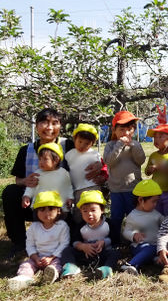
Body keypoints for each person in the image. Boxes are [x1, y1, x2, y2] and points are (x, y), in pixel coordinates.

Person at [3, 108, 104, 256]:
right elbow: (18, 179)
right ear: (36, 126)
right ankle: (20, 242)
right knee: (10, 192)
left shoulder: (69, 145)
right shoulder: (26, 150)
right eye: (44, 122)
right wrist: (25, 181)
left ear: (60, 126)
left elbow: (89, 157)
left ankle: (91, 234)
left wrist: (100, 167)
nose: (49, 128)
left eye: (55, 123)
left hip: (63, 204)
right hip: (36, 203)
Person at [8, 191, 70, 291]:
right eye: (42, 209)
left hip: (55, 257)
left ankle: (51, 275)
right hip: (37, 257)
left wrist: (51, 257)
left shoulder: (62, 226)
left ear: (59, 210)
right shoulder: (34, 227)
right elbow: (29, 245)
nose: (46, 213)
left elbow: (64, 244)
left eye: (51, 209)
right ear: (36, 212)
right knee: (26, 265)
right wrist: (35, 258)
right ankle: (24, 278)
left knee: (57, 265)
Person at [103, 110, 146, 245]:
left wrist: (133, 147)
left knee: (133, 217)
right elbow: (109, 161)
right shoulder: (110, 146)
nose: (126, 133)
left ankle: (135, 240)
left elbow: (141, 160)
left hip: (132, 188)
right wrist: (119, 145)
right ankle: (115, 241)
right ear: (114, 130)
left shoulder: (135, 144)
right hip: (116, 189)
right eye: (122, 129)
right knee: (116, 217)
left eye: (130, 129)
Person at [60, 190, 120, 279]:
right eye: (85, 211)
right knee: (67, 251)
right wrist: (83, 246)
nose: (89, 214)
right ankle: (71, 267)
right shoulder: (81, 226)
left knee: (115, 253)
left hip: (103, 253)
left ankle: (107, 269)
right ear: (81, 212)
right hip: (86, 254)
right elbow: (74, 241)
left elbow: (116, 238)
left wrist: (104, 242)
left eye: (93, 210)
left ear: (102, 210)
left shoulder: (108, 224)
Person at [65, 123, 108, 223]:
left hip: (93, 187)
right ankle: (79, 233)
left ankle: (99, 230)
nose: (82, 145)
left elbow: (103, 167)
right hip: (77, 189)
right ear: (74, 138)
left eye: (87, 143)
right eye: (80, 141)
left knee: (94, 210)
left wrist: (103, 176)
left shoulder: (94, 154)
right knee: (79, 212)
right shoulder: (69, 154)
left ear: (92, 144)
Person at [121, 180, 164, 275]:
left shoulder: (156, 214)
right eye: (153, 201)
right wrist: (133, 235)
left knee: (154, 250)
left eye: (156, 201)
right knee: (150, 249)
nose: (155, 204)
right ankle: (130, 265)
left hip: (156, 246)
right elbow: (126, 231)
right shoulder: (132, 216)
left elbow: (165, 224)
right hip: (139, 246)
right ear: (140, 200)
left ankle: (155, 260)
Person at [21, 143, 74, 216]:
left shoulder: (64, 173)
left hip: (60, 209)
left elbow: (68, 188)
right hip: (40, 208)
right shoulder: (37, 173)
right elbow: (31, 187)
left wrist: (70, 198)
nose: (41, 162)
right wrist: (26, 196)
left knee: (61, 225)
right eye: (39, 159)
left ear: (56, 160)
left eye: (45, 159)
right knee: (39, 226)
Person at [145, 123, 168, 216]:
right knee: (157, 214)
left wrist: (160, 168)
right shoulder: (153, 155)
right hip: (156, 191)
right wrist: (149, 170)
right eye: (155, 137)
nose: (156, 139)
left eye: (160, 137)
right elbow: (146, 172)